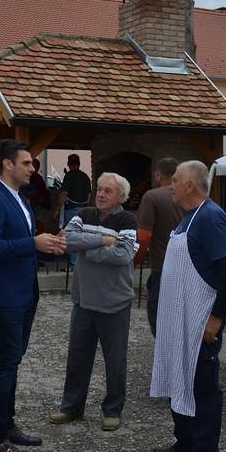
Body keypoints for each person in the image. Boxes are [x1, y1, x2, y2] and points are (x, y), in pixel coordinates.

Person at [0, 139, 66, 452]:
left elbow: (24, 243)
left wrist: (48, 246)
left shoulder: (19, 198)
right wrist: (33, 243)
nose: (32, 169)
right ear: (7, 164)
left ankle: (8, 424)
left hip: (24, 292)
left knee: (13, 360)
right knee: (6, 363)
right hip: (4, 295)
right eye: (26, 163)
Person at [149, 160, 226, 452]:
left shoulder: (211, 217)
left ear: (190, 185)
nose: (170, 185)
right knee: (179, 379)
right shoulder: (189, 218)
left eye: (175, 180)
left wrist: (216, 318)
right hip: (179, 322)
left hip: (200, 322)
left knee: (202, 388)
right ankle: (185, 443)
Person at [50, 172, 138, 432]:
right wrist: (103, 240)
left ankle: (112, 410)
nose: (100, 194)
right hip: (83, 301)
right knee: (77, 358)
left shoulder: (127, 219)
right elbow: (67, 241)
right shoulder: (84, 214)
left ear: (120, 196)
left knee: (115, 361)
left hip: (115, 303)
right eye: (99, 189)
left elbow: (123, 255)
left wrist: (85, 250)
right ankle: (71, 407)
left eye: (108, 191)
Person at [134, 157, 184, 338]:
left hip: (163, 268)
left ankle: (166, 352)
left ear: (158, 175)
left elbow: (144, 236)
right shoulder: (188, 195)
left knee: (158, 317)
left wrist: (135, 261)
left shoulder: (152, 196)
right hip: (187, 267)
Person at [58, 153, 91, 268]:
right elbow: (89, 196)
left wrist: (56, 209)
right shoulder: (85, 177)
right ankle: (80, 263)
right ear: (79, 163)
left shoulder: (69, 176)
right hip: (84, 209)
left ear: (68, 163)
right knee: (81, 236)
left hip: (71, 209)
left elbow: (63, 195)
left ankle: (73, 264)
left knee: (71, 236)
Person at [23, 157, 52, 233]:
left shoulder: (38, 178)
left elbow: (42, 192)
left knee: (38, 225)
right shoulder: (28, 178)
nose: (34, 169)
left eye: (36, 167)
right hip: (31, 206)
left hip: (37, 206)